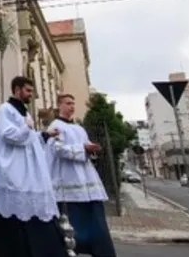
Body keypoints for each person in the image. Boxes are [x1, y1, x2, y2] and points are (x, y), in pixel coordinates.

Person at [0, 76, 66, 257]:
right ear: (17, 90)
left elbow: (30, 139)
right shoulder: (5, 109)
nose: (31, 95)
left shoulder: (25, 113)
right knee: (17, 215)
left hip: (31, 169)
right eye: (28, 91)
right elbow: (9, 135)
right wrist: (26, 128)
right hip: (15, 170)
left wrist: (45, 135)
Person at [48, 94, 116, 257]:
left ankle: (100, 250)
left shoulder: (79, 127)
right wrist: (83, 149)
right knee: (72, 223)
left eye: (73, 103)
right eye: (68, 103)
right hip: (68, 178)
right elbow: (57, 149)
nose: (72, 106)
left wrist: (91, 150)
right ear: (59, 106)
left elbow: (85, 148)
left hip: (87, 179)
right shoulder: (56, 126)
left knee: (96, 220)